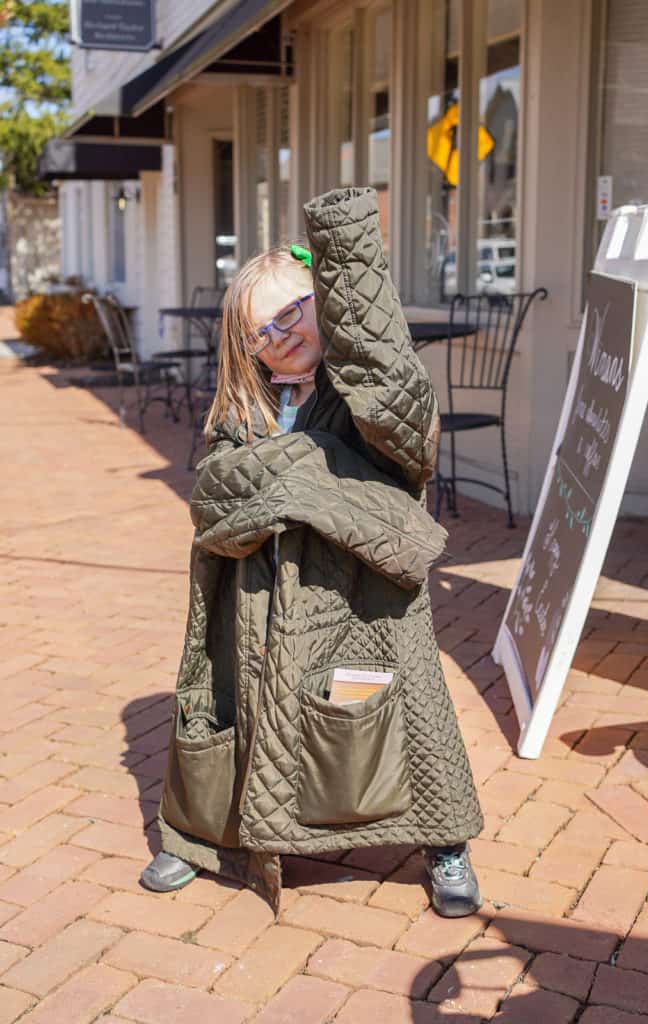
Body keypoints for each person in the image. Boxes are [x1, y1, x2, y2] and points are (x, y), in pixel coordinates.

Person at [141, 186, 484, 918]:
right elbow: (213, 498)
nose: (281, 332)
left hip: (361, 606)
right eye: (261, 328)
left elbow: (385, 376)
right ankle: (199, 836)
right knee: (237, 708)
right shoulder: (247, 407)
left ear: (327, 302)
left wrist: (344, 250)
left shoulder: (369, 400)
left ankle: (443, 842)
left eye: (295, 308)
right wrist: (313, 469)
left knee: (401, 718)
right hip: (256, 604)